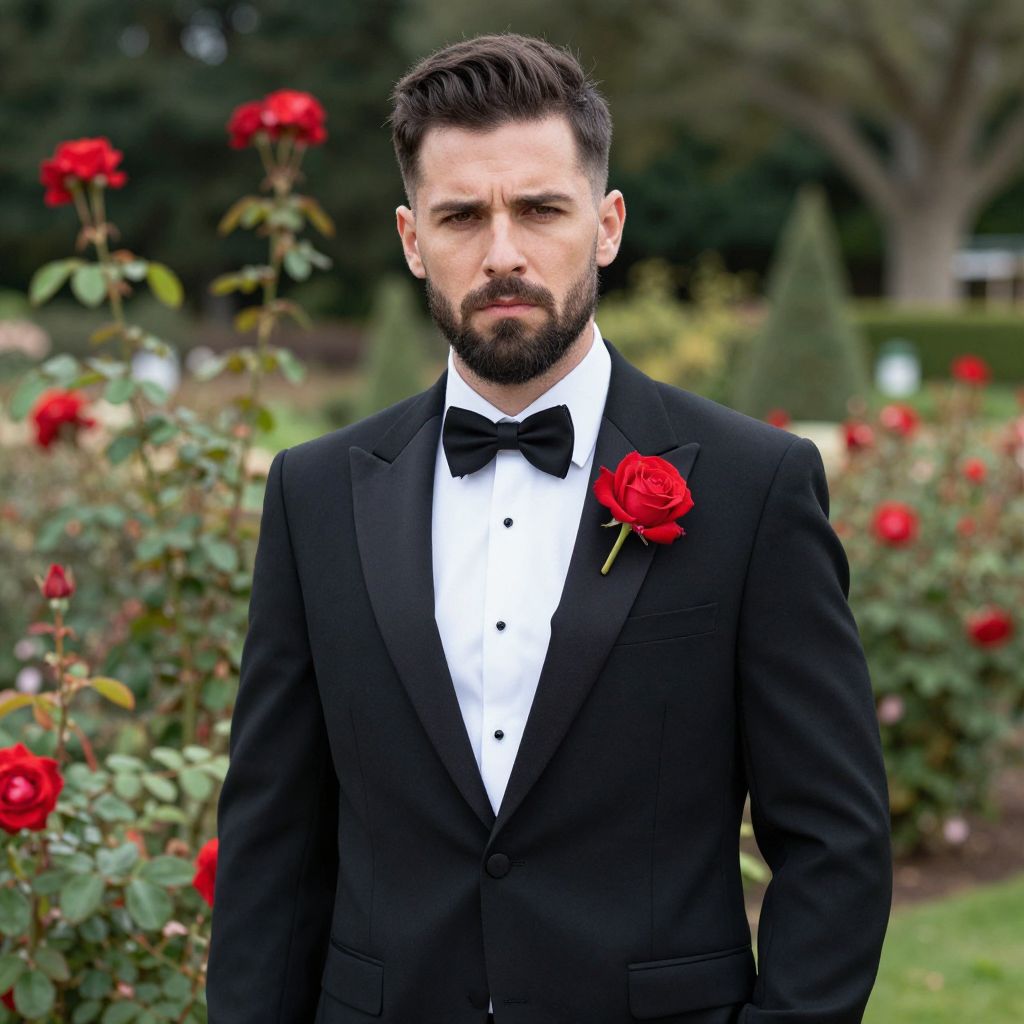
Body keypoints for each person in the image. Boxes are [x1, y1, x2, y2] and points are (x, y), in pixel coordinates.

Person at [206, 32, 892, 1024]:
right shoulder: (314, 495)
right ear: (411, 240)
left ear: (605, 224)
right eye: (459, 216)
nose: (502, 253)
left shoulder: (755, 488)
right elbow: (274, 838)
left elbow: (835, 839)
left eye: (539, 209)